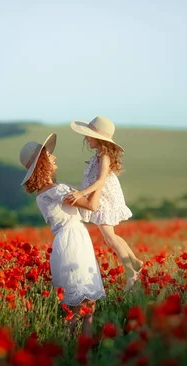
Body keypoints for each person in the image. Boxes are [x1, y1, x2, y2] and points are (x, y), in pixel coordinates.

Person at [19, 133, 106, 337]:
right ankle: (74, 349)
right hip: (72, 243)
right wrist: (102, 178)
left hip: (73, 241)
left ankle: (80, 349)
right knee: (80, 307)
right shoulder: (55, 191)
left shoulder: (47, 192)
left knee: (86, 305)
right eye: (49, 156)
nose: (54, 157)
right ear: (42, 163)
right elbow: (92, 205)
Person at [64, 116, 143, 292]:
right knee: (111, 236)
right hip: (102, 198)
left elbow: (100, 181)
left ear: (99, 138)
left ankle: (131, 274)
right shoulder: (99, 155)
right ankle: (135, 262)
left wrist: (81, 193)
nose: (86, 138)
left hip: (105, 199)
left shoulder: (104, 156)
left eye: (89, 135)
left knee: (110, 238)